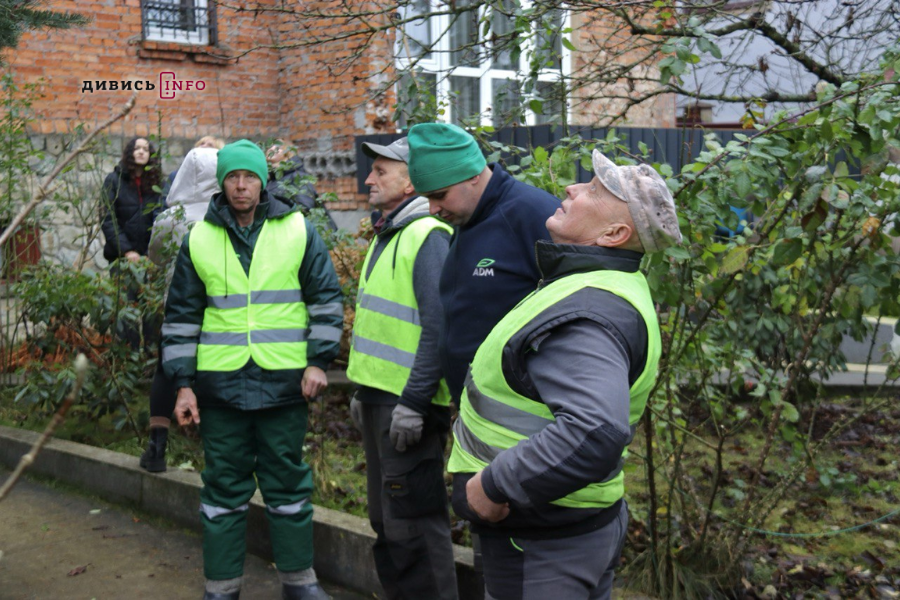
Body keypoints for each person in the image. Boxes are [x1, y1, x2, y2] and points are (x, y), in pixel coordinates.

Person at [447, 149, 682, 599]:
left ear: (615, 233)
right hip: (563, 529)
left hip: (541, 542)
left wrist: (491, 487)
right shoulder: (596, 283)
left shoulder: (588, 310)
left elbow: (594, 430)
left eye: (593, 190)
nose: (571, 189)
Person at [160, 139, 343, 600]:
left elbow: (324, 298)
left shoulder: (297, 229)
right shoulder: (199, 237)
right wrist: (183, 385)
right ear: (221, 182)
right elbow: (181, 316)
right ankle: (221, 589)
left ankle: (300, 584)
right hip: (220, 387)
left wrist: (319, 361)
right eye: (233, 177)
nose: (241, 186)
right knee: (222, 491)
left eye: (250, 177)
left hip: (284, 384)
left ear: (264, 180)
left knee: (288, 487)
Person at [346, 137, 458, 599]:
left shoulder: (427, 235)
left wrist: (413, 402)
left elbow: (439, 327)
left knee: (412, 526)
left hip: (408, 407)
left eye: (381, 171)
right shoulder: (389, 232)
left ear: (412, 179)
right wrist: (363, 393)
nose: (369, 179)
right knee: (386, 522)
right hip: (381, 402)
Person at [406, 123, 560, 404]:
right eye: (427, 198)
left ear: (473, 175)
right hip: (474, 407)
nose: (432, 210)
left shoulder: (536, 215)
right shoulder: (467, 219)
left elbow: (578, 309)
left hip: (518, 413)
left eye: (439, 195)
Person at [139, 147, 221, 472]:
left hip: (178, 308)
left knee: (166, 367)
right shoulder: (224, 214)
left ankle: (157, 447)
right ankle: (215, 452)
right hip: (220, 308)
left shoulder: (170, 218)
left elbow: (155, 260)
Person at [101, 136, 163, 264]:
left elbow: (161, 219)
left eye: (145, 149)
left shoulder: (157, 184)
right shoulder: (113, 180)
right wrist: (126, 250)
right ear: (130, 153)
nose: (141, 152)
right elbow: (107, 219)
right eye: (137, 148)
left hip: (150, 259)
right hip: (120, 257)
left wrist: (150, 253)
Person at [266, 140, 337, 230]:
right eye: (270, 146)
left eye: (278, 147)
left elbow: (305, 208)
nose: (272, 149)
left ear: (287, 152)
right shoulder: (270, 181)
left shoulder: (297, 176)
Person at [160, 135, 226, 206]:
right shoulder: (175, 175)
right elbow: (164, 203)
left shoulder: (222, 177)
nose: (203, 146)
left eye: (210, 145)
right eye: (201, 143)